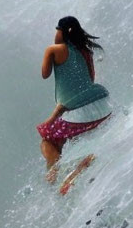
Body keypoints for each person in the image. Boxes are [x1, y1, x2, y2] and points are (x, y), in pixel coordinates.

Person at [37, 16, 111, 192]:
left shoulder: (53, 50)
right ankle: (81, 167)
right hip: (102, 105)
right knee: (72, 138)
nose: (55, 34)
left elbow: (45, 73)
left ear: (65, 32)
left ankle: (54, 175)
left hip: (81, 112)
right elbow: (90, 79)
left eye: (57, 30)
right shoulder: (85, 51)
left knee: (48, 140)